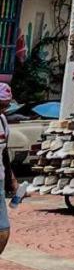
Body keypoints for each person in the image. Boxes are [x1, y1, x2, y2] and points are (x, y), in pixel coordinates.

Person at [1, 82, 16, 256]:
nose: (3, 109)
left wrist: (12, 179)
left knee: (3, 231)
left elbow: (4, 152)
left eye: (5, 105)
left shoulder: (2, 121)